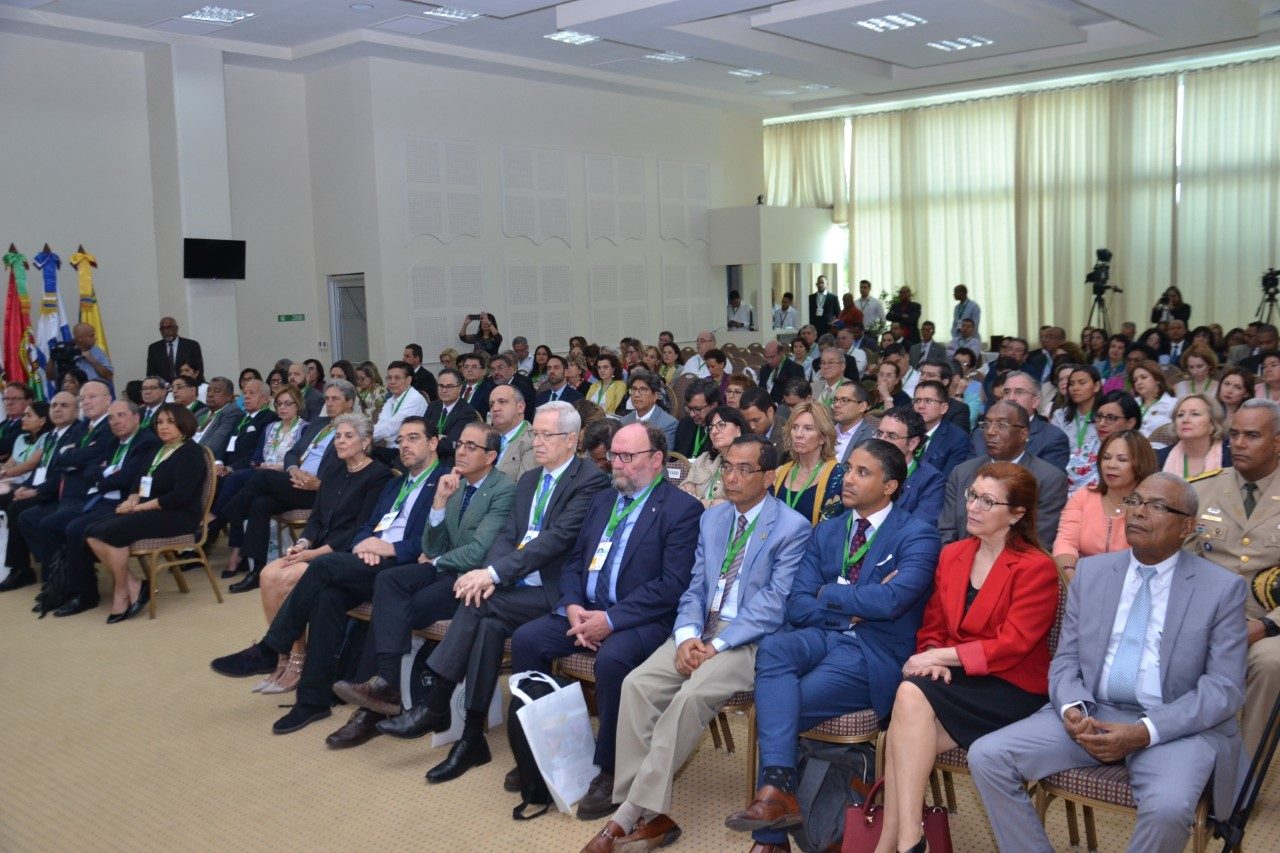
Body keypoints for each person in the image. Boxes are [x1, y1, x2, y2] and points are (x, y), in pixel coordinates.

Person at [970, 473, 1246, 853]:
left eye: (1158, 507)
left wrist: (1146, 731)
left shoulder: (1221, 588)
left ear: (1187, 527)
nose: (1140, 513)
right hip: (1094, 714)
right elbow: (1066, 658)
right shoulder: (1093, 572)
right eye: (1134, 502)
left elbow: (1223, 689)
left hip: (1174, 725)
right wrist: (1072, 707)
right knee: (987, 756)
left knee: (1168, 808)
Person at [334, 402, 609, 749]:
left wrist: (490, 574)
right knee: (486, 623)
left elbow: (556, 540)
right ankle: (471, 736)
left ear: (571, 440)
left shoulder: (591, 480)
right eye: (534, 434)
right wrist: (486, 573)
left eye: (545, 435)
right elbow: (508, 535)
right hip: (516, 583)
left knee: (476, 605)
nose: (536, 442)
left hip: (554, 590)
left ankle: (435, 703)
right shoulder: (528, 480)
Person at [586, 435, 809, 851]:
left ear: (769, 475)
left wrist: (717, 646)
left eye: (745, 469)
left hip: (747, 640)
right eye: (727, 466)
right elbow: (694, 587)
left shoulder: (792, 528)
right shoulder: (713, 519)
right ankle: (655, 817)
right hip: (697, 629)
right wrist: (688, 634)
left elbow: (773, 605)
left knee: (689, 698)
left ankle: (628, 814)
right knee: (637, 686)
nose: (732, 476)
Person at [725, 440, 941, 850]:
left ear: (891, 485)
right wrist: (852, 605)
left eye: (863, 472)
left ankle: (770, 836)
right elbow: (799, 604)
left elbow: (894, 602)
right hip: (822, 634)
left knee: (784, 704)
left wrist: (831, 592)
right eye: (847, 469)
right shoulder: (828, 530)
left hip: (871, 652)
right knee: (775, 647)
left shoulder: (917, 535)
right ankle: (777, 806)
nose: (847, 479)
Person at [509, 422, 703, 820]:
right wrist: (572, 604)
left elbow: (672, 585)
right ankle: (545, 752)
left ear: (656, 460)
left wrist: (611, 620)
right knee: (528, 639)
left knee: (613, 661)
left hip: (643, 620)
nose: (617, 464)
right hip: (586, 610)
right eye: (614, 455)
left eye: (628, 457)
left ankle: (611, 769)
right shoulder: (602, 500)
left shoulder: (682, 509)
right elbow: (576, 561)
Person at [210, 417, 447, 733]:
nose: (404, 445)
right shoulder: (397, 483)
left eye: (413, 438)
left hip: (403, 568)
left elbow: (438, 539)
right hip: (368, 559)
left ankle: (271, 648)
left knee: (322, 567)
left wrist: (390, 549)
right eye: (401, 439)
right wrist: (365, 543)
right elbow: (369, 523)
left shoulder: (444, 483)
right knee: (327, 597)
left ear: (433, 443)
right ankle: (312, 701)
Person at [874, 462, 1056, 853]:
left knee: (903, 721)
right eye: (972, 495)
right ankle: (904, 841)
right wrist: (932, 656)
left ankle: (900, 842)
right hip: (958, 678)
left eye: (988, 501)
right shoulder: (954, 554)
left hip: (1011, 688)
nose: (972, 506)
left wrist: (943, 655)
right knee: (906, 726)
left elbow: (1013, 644)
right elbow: (934, 624)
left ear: (1017, 513)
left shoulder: (1037, 567)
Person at [249, 413, 393, 693]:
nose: (340, 441)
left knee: (287, 579)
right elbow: (316, 519)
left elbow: (358, 531)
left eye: (348, 436)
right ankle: (283, 657)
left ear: (365, 442)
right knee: (268, 574)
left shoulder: (378, 476)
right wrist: (302, 545)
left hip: (342, 554)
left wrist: (312, 555)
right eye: (338, 436)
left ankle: (298, 660)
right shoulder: (334, 471)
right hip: (315, 548)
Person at [1187, 398, 1280, 754]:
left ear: (1277, 442)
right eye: (1234, 434)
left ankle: (1243, 779)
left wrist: (1265, 626)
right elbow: (1181, 564)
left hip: (1267, 624)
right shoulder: (1201, 488)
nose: (1238, 443)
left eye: (1252, 435)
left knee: (1270, 661)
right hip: (1206, 617)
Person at [219, 380, 356, 589]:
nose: (328, 403)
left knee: (262, 477)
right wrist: (293, 470)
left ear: (349, 403)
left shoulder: (356, 430)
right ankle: (258, 570)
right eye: (326, 398)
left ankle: (224, 516)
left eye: (335, 399)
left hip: (318, 490)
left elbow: (353, 469)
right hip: (296, 481)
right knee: (259, 504)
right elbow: (292, 453)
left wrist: (319, 483)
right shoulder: (319, 423)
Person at [84, 403, 208, 623]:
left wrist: (139, 507)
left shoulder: (191, 452)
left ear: (184, 423)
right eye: (159, 422)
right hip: (149, 510)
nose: (163, 427)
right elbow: (138, 485)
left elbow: (179, 497)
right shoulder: (157, 450)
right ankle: (132, 584)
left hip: (179, 515)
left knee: (114, 532)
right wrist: (131, 501)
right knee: (92, 531)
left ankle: (121, 591)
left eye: (170, 421)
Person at [37, 401, 161, 617]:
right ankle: (58, 586)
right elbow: (89, 470)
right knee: (51, 524)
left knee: (76, 528)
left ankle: (85, 593)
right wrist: (106, 473)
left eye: (121, 415)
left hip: (125, 503)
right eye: (112, 418)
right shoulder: (112, 441)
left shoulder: (146, 442)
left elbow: (127, 478)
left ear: (137, 418)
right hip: (100, 499)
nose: (116, 422)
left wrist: (104, 474)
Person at [941, 401, 1067, 548]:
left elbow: (1039, 541)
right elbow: (947, 531)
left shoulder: (1048, 479)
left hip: (1017, 566)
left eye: (1002, 425)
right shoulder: (962, 472)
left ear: (1024, 434)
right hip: (959, 562)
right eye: (987, 424)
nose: (990, 431)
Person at [0, 393, 86, 592]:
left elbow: (63, 474)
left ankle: (46, 568)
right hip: (45, 488)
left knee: (18, 509)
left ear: (76, 410)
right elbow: (41, 468)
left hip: (62, 493)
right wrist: (27, 486)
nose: (57, 409)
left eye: (64, 405)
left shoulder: (79, 433)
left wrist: (35, 490)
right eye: (54, 405)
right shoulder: (52, 435)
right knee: (16, 504)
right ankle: (31, 568)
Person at [1053, 430, 1156, 581]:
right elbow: (1065, 541)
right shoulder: (1084, 496)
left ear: (1140, 464)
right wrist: (1071, 576)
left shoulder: (1150, 506)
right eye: (1106, 458)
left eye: (1122, 459)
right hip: (1080, 579)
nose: (1111, 465)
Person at [773, 400, 845, 526]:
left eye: (808, 428)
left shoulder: (837, 475)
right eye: (795, 427)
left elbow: (829, 529)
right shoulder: (781, 471)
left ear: (823, 437)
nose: (799, 434)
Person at [875, 406, 945, 521]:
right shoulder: (865, 468)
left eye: (892, 436)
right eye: (879, 433)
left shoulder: (931, 480)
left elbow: (920, 529)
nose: (881, 440)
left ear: (912, 443)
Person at [680, 406, 745, 507]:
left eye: (721, 425)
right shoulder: (704, 458)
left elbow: (735, 506)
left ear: (738, 430)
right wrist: (710, 504)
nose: (713, 432)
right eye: (710, 428)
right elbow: (680, 496)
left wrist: (695, 500)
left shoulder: (747, 464)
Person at [912, 379, 974, 479]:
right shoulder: (906, 430)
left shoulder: (957, 439)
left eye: (928, 401)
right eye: (917, 401)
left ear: (943, 408)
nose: (921, 406)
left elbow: (947, 481)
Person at [370, 361, 428, 459]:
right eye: (389, 378)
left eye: (397, 378)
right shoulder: (391, 400)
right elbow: (381, 424)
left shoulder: (415, 399)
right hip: (391, 449)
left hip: (408, 451)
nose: (392, 382)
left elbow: (393, 427)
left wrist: (363, 437)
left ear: (409, 380)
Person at [1159, 393, 1226, 477]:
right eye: (1180, 415)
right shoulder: (1159, 458)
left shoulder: (1230, 458)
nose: (1185, 420)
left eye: (1195, 414)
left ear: (1212, 424)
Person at [423, 367, 478, 461]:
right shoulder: (433, 406)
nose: (444, 390)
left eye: (449, 387)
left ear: (460, 388)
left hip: (448, 461)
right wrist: (440, 437)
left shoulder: (467, 412)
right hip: (427, 456)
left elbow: (450, 445)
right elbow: (422, 432)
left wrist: (429, 439)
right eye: (441, 386)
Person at [489, 383, 536, 482]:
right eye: (491, 404)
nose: (495, 408)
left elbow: (523, 488)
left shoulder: (533, 441)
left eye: (502, 402)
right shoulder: (486, 437)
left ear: (520, 407)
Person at [619, 373, 677, 449]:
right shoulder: (623, 421)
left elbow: (664, 456)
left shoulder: (668, 424)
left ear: (655, 396)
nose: (636, 394)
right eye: (634, 389)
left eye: (643, 390)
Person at [145, 316, 202, 383]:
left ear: (176, 328)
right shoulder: (154, 348)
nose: (166, 331)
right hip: (164, 389)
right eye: (163, 328)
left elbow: (199, 369)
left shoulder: (192, 345)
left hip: (187, 386)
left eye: (169, 327)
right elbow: (151, 373)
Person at [1129, 359, 1177, 439]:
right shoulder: (1131, 403)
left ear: (1157, 379)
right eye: (1135, 380)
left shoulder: (1173, 404)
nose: (1138, 382)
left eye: (1143, 377)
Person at [740, 387, 789, 464]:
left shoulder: (788, 436)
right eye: (747, 421)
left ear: (770, 412)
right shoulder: (741, 432)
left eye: (756, 420)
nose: (751, 426)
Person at [673, 379, 719, 458]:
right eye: (689, 408)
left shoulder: (722, 429)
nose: (691, 414)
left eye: (697, 409)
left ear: (713, 405)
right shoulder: (685, 423)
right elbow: (675, 458)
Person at [832, 382, 873, 464]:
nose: (836, 405)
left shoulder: (870, 438)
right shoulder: (825, 427)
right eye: (835, 400)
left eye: (844, 400)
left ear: (862, 407)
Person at [70, 321, 113, 387]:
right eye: (91, 336)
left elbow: (109, 376)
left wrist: (92, 360)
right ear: (80, 338)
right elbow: (51, 377)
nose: (95, 338)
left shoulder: (98, 351)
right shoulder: (69, 352)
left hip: (97, 391)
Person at [0, 382, 34, 462]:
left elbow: (3, 447)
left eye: (15, 398)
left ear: (28, 402)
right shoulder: (3, 424)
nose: (10, 403)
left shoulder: (28, 424)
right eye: (6, 399)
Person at [458, 352, 495, 421]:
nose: (469, 370)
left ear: (484, 371)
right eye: (466, 367)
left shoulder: (489, 391)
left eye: (474, 367)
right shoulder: (457, 388)